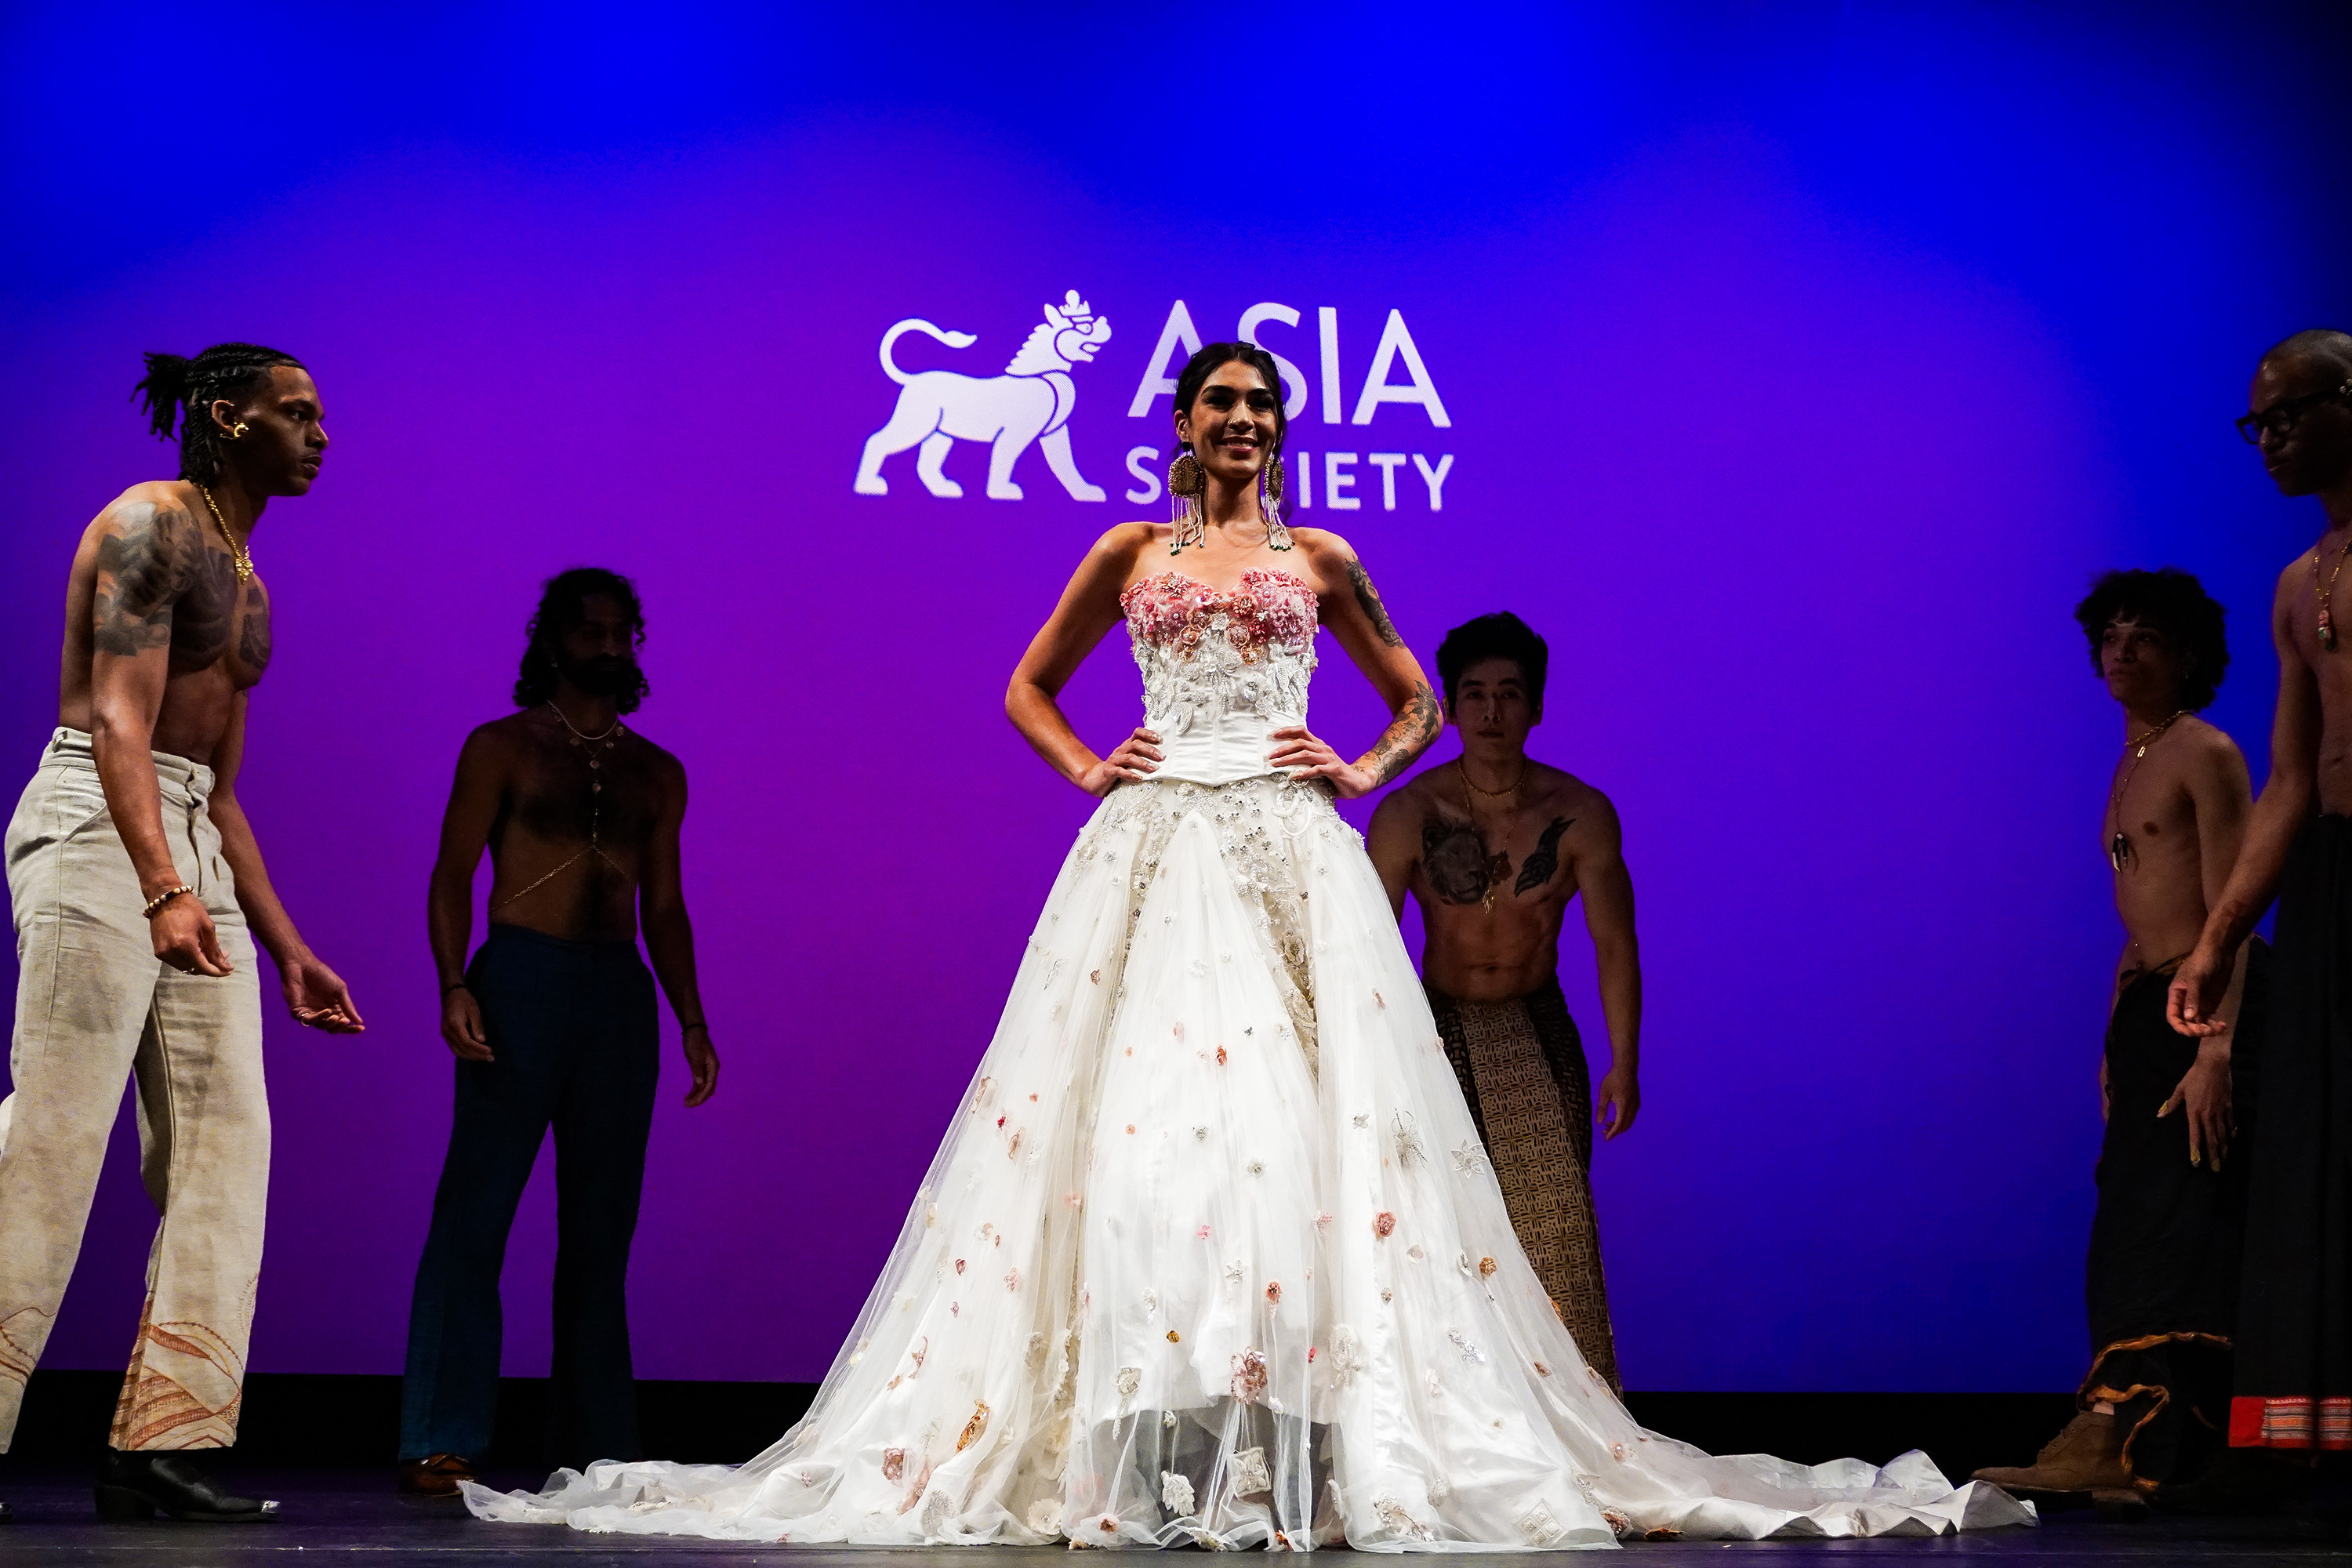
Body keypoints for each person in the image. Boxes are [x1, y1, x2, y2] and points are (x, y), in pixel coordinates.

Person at [463, 344, 2030, 1545]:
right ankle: (1151, 1446)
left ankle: (1300, 1442)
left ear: (1280, 428)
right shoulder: (1132, 550)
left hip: (1288, 852)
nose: (1238, 425)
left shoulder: (1323, 558)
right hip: (1153, 850)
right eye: (1217, 404)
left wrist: (1355, 765)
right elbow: (1028, 684)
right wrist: (1092, 765)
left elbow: (1410, 693)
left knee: (1305, 1139)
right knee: (1154, 1141)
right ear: (1181, 422)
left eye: (1257, 408)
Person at [0, 344, 363, 1524]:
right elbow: (117, 713)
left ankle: (161, 1437)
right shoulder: (152, 524)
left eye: (318, 416)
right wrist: (161, 887)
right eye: (294, 414)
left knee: (226, 1142)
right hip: (103, 823)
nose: (319, 433)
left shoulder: (249, 575)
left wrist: (288, 941)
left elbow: (219, 785)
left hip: (184, 836)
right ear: (225, 417)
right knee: (55, 1133)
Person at [394, 569, 717, 1496]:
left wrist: (691, 1014)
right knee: (476, 1209)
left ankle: (596, 1441)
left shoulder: (660, 770)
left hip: (619, 994)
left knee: (601, 1228)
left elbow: (666, 904)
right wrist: (455, 982)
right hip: (520, 976)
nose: (610, 648)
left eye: (623, 634)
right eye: (591, 633)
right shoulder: (500, 746)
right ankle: (441, 1431)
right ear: (554, 640)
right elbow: (451, 872)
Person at [1973, 570, 2255, 1510]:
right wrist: (2112, 1030)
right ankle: (2127, 1439)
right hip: (2149, 1010)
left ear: (2186, 656)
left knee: (2176, 1223)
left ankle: (2137, 1437)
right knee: (2131, 1221)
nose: (2122, 652)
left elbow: (2233, 913)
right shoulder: (2134, 758)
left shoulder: (2205, 751)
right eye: (2112, 636)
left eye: (2145, 638)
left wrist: (2215, 1046)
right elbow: (2140, 918)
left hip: (2199, 1009)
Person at [2171, 329, 2352, 1519]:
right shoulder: (2301, 582)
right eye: (2259, 423)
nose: (2271, 438)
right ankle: (2312, 1444)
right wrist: (2221, 931)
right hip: (2332, 876)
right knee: (2316, 1156)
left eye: (2288, 414)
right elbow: (2291, 780)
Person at [1367, 612, 1639, 1394]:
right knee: (1441, 1239)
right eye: (1475, 694)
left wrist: (1625, 1060)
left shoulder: (1580, 810)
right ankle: (1467, 1430)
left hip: (1535, 1023)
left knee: (1556, 1235)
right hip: (1437, 1030)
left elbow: (1613, 943)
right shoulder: (1407, 813)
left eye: (1510, 694)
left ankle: (1577, 1428)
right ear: (1450, 706)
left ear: (1536, 706)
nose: (1492, 712)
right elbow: (1372, 947)